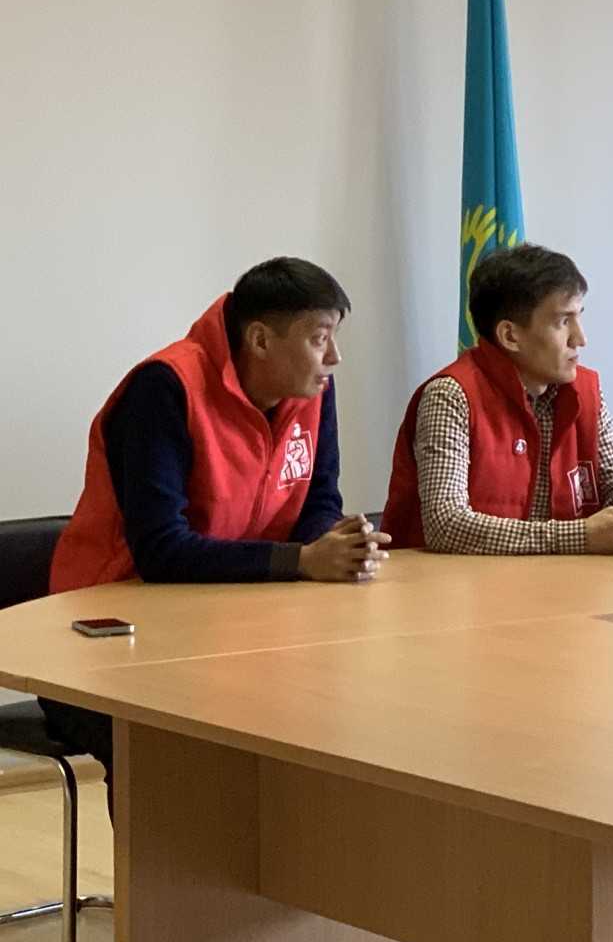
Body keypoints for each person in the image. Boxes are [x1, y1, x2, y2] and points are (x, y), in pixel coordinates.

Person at [45, 256, 385, 802]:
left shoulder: (314, 393)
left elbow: (319, 499)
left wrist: (335, 543)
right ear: (260, 339)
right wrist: (301, 561)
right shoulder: (165, 388)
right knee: (176, 751)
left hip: (231, 627)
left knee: (325, 714)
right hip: (109, 635)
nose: (334, 358)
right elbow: (160, 550)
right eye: (320, 338)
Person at [383, 245, 613, 555]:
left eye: (579, 317)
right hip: (453, 581)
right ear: (510, 336)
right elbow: (446, 526)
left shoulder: (584, 390)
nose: (580, 339)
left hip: (561, 577)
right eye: (563, 322)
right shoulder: (450, 397)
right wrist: (580, 536)